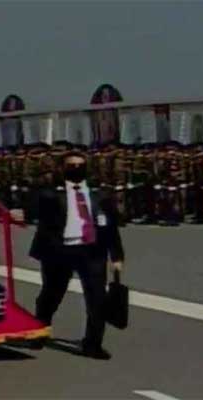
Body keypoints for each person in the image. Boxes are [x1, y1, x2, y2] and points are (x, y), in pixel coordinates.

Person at [30, 151, 125, 359]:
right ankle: (39, 331)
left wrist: (116, 256)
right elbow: (33, 208)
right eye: (71, 165)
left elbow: (110, 227)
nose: (76, 169)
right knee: (51, 295)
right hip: (59, 251)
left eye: (80, 165)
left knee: (97, 300)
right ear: (62, 169)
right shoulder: (50, 194)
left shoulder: (99, 194)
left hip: (91, 251)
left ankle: (93, 343)